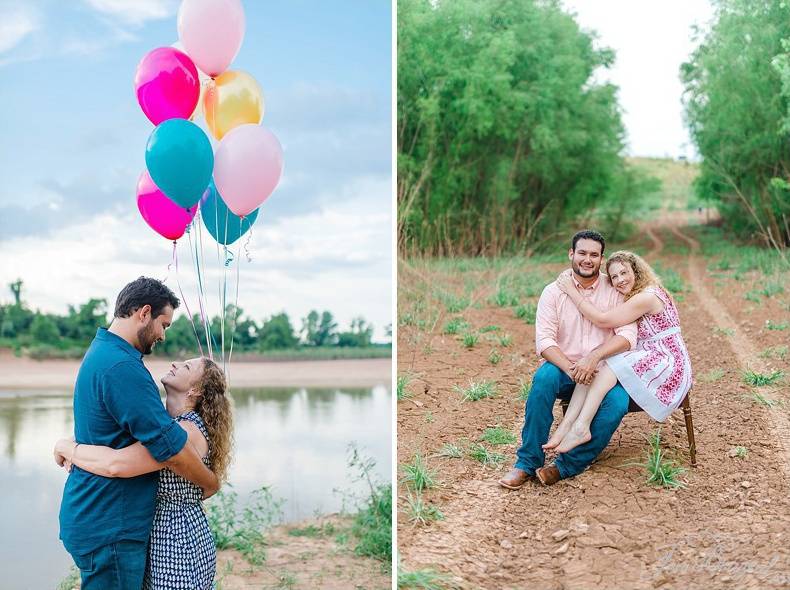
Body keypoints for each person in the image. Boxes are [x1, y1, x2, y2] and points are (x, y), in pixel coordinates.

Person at [57, 277, 219, 589]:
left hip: (97, 515)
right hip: (110, 521)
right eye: (164, 324)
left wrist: (70, 447)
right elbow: (171, 450)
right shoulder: (123, 368)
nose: (162, 335)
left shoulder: (104, 353)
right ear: (144, 313)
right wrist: (210, 481)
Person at [499, 230, 637, 488]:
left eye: (594, 255)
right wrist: (572, 368)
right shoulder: (553, 292)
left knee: (617, 402)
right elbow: (545, 342)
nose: (587, 259)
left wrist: (594, 358)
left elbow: (628, 336)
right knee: (544, 379)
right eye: (582, 253)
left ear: (601, 258)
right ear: (571, 254)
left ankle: (567, 465)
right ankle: (527, 462)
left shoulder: (614, 290)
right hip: (565, 368)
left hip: (603, 370)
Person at [542, 250, 692, 453]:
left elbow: (603, 320)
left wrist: (571, 290)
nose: (620, 280)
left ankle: (581, 426)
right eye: (614, 276)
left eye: (624, 273)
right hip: (653, 353)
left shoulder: (646, 296)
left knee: (608, 364)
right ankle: (566, 426)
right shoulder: (639, 294)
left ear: (636, 272)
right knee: (598, 363)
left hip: (668, 360)